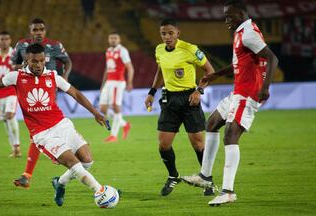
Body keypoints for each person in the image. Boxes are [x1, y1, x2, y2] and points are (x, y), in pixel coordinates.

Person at [0, 43, 110, 207]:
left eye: (42, 61)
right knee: (74, 164)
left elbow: (76, 94)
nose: (38, 65)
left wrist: (95, 113)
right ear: (26, 60)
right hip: (43, 134)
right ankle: (100, 191)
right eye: (34, 61)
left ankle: (60, 183)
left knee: (87, 162)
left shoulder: (53, 76)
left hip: (62, 124)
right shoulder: (16, 76)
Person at [181, 0, 278, 206]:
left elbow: (272, 58)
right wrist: (216, 75)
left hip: (248, 93)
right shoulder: (241, 33)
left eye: (229, 16)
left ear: (242, 13)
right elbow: (238, 64)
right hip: (237, 91)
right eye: (225, 16)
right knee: (212, 123)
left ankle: (228, 191)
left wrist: (266, 87)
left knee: (230, 135)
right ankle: (205, 176)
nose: (226, 20)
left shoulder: (249, 33)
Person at [144, 18, 215, 196]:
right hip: (169, 99)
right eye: (163, 33)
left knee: (198, 144)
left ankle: (207, 179)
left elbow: (210, 71)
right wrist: (152, 92)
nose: (166, 37)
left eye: (170, 33)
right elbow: (160, 71)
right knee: (164, 144)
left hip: (190, 99)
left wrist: (199, 91)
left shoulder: (190, 49)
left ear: (178, 33)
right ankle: (173, 176)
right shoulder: (159, 50)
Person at [12, 18, 73, 188]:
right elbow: (14, 64)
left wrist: (65, 77)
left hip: (49, 94)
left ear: (45, 31)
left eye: (41, 29)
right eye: (35, 29)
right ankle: (56, 154)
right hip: (29, 93)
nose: (38, 32)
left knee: (39, 133)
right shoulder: (21, 46)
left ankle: (30, 173)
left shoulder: (54, 46)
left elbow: (67, 61)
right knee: (40, 133)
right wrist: (21, 68)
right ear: (30, 31)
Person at [99, 32, 134, 143]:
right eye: (111, 38)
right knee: (102, 109)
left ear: (119, 40)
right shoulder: (108, 51)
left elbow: (130, 67)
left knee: (115, 106)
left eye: (115, 38)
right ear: (109, 39)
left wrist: (129, 82)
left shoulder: (122, 51)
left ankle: (113, 135)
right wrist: (103, 84)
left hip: (118, 82)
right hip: (109, 82)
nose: (113, 40)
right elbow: (107, 68)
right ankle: (125, 124)